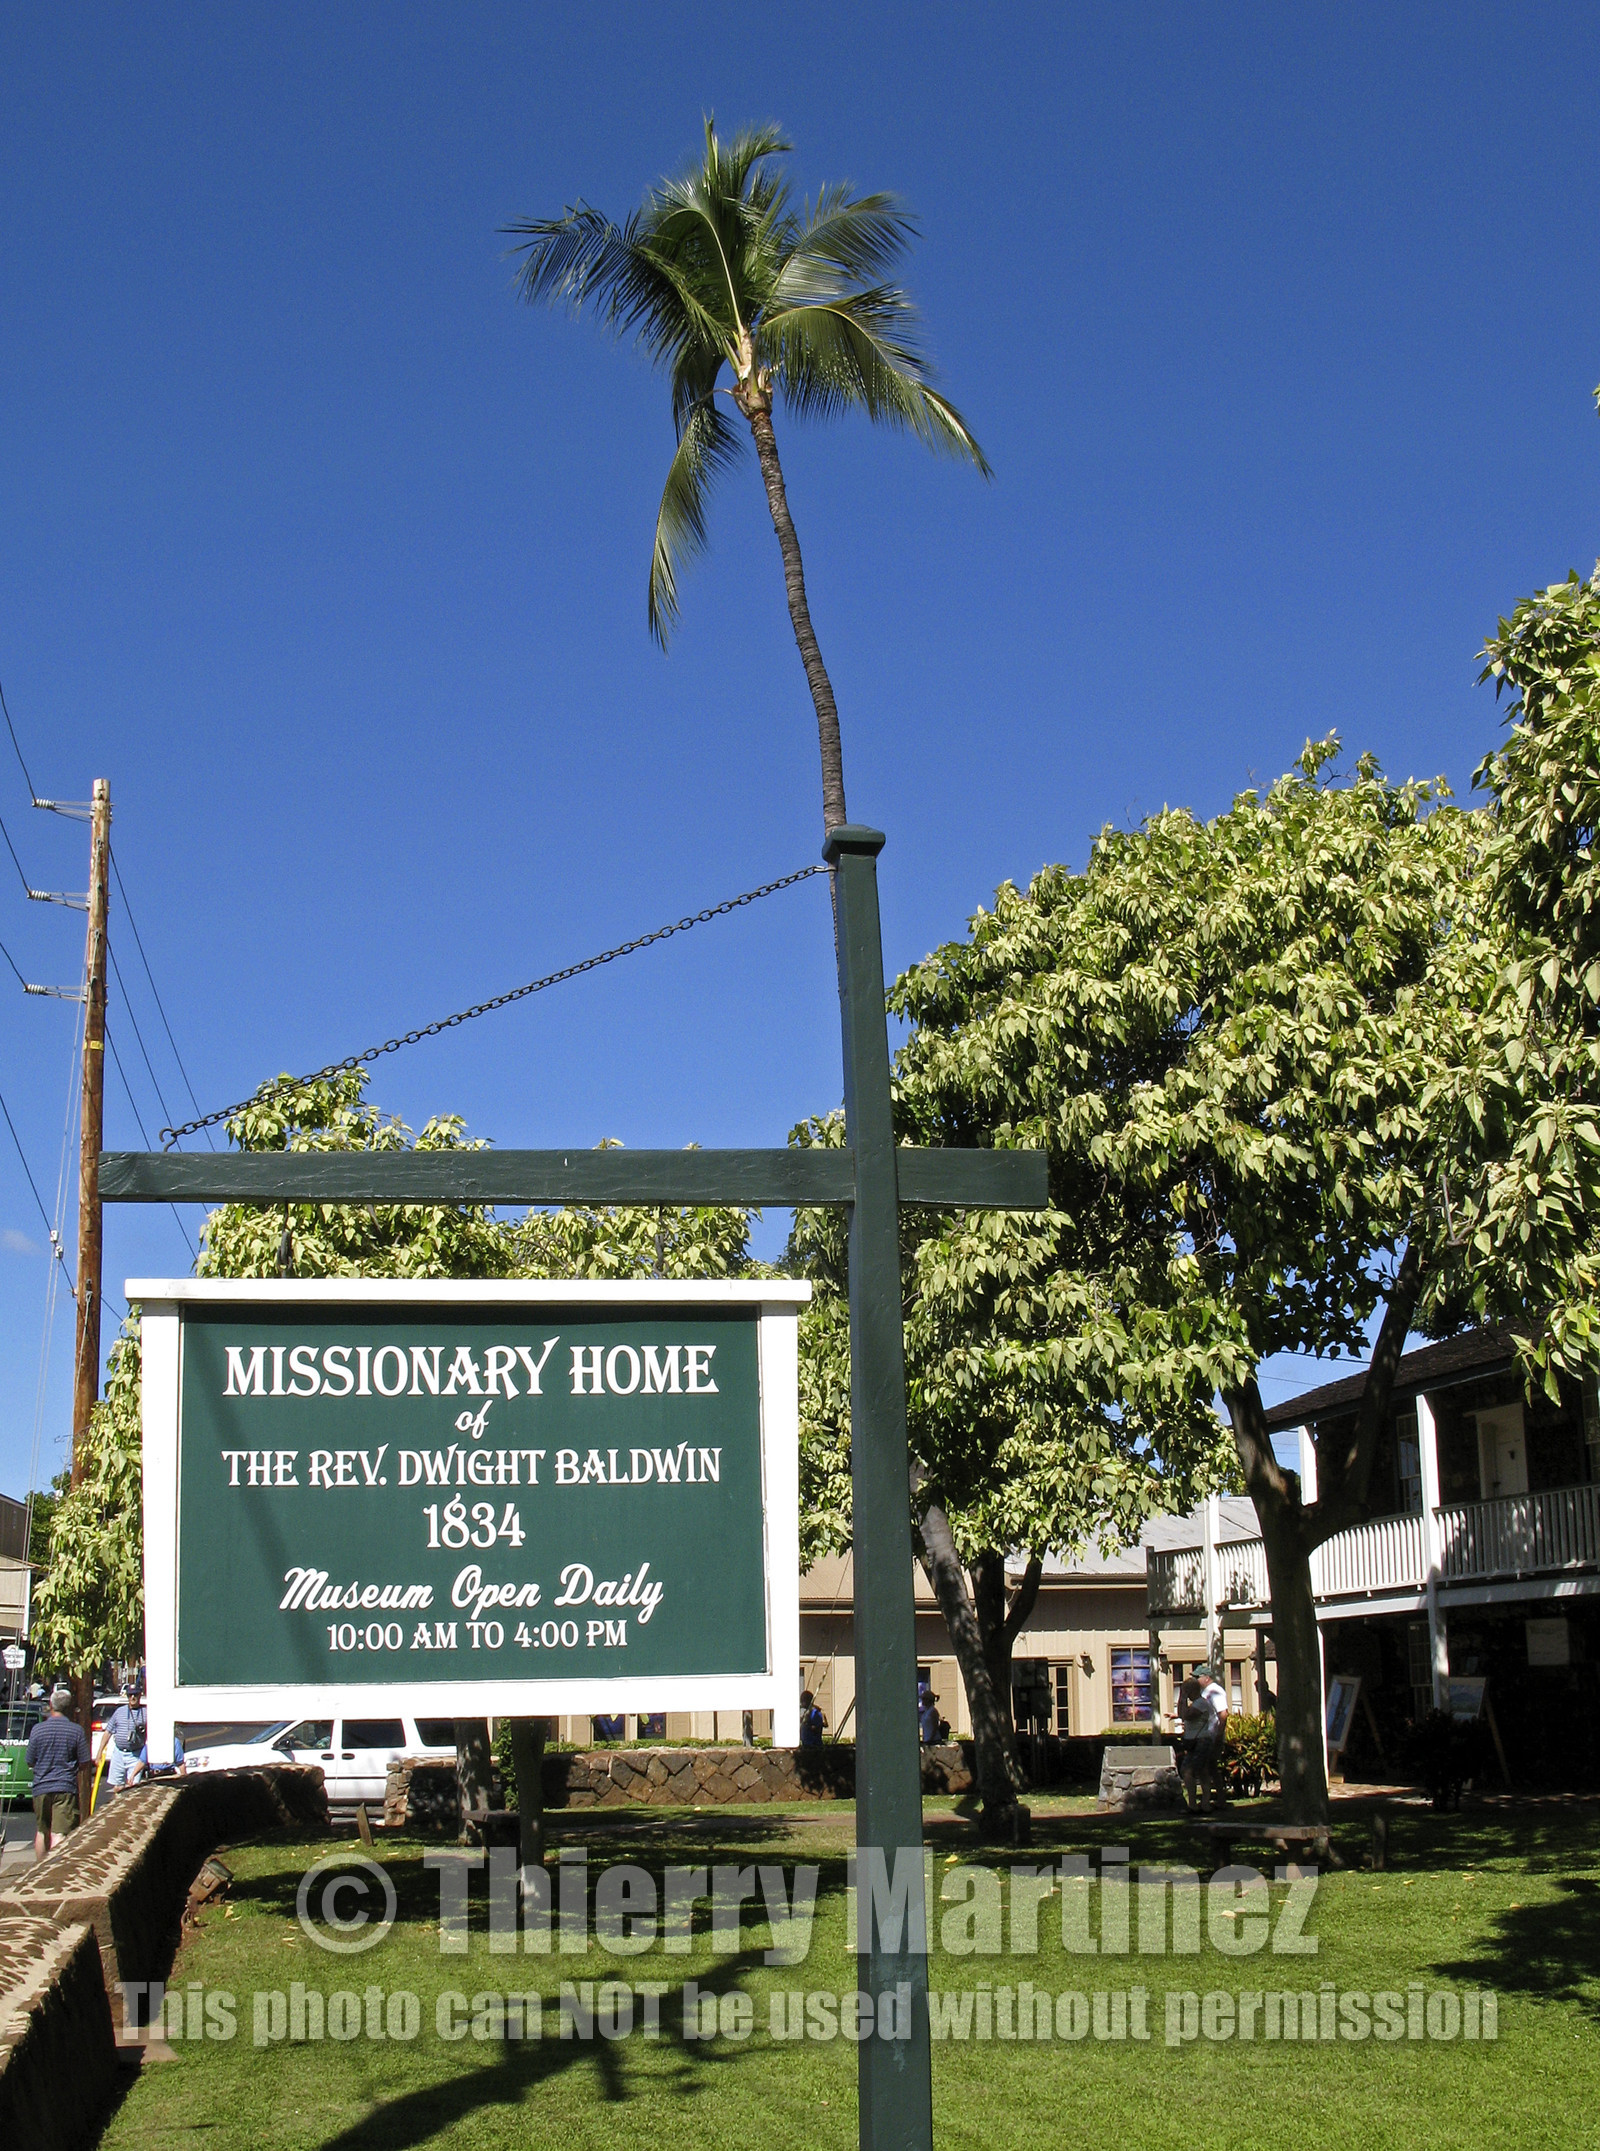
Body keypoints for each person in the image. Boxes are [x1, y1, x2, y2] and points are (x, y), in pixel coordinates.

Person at [27, 1686, 91, 1860]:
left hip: (41, 1787)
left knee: (41, 1831)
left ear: (51, 1705)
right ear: (69, 1707)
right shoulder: (76, 1731)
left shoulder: (37, 1730)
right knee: (59, 1834)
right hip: (65, 1787)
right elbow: (85, 1762)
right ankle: (54, 1869)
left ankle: (39, 1869)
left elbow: (30, 1760)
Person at [1178, 1668, 1229, 1813]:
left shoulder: (1210, 1695)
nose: (1196, 1680)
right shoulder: (1200, 1700)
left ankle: (1196, 1804)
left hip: (1203, 1740)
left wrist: (1219, 1736)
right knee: (1205, 1771)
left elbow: (1223, 1714)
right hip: (1198, 1740)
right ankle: (1207, 1803)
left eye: (1197, 1677)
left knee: (1189, 1771)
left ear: (1206, 1678)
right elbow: (1183, 1714)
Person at [94, 1682, 147, 1801]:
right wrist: (99, 1753)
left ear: (140, 1695)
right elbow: (108, 1732)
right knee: (118, 1787)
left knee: (132, 1787)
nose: (133, 1698)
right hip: (119, 1753)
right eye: (130, 1695)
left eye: (136, 1695)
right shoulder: (119, 1712)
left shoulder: (146, 1713)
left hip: (136, 1754)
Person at [917, 1679, 942, 1746]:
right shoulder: (925, 1712)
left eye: (924, 1699)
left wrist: (930, 1739)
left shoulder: (933, 1711)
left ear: (928, 1700)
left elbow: (935, 1726)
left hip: (934, 1741)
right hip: (926, 1739)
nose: (922, 1701)